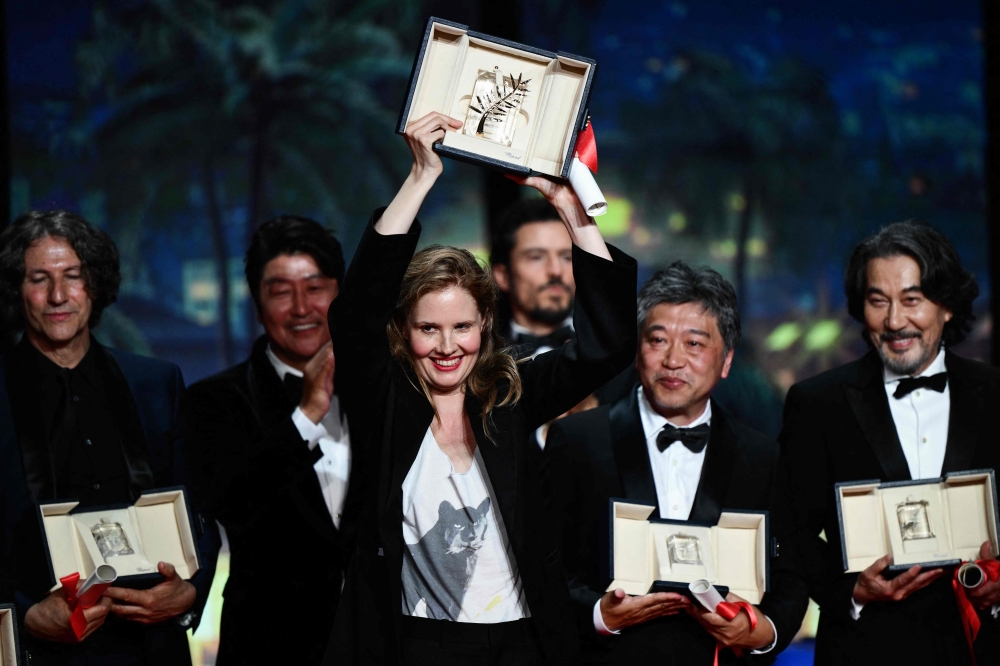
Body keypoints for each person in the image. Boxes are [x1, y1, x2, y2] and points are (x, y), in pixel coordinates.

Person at [323, 111, 637, 665]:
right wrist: (421, 175)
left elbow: (608, 346)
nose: (447, 346)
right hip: (417, 645)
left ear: (485, 325)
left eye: (462, 327)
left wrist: (574, 213)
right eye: (428, 328)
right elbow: (354, 316)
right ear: (404, 330)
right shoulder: (384, 398)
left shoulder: (510, 393)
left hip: (523, 641)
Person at [544, 263, 808, 663]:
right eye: (657, 340)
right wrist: (600, 614)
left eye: (695, 344)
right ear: (637, 351)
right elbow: (541, 568)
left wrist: (758, 632)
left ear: (726, 360)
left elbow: (789, 579)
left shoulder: (761, 455)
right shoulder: (578, 440)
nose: (673, 360)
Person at [0, 210, 219, 665]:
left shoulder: (156, 383)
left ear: (94, 285)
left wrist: (189, 593)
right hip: (41, 653)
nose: (57, 296)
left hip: (153, 648)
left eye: (72, 276)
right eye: (39, 279)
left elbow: (201, 514)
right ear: (17, 291)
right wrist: (22, 613)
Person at [780, 221, 1000, 665]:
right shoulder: (817, 403)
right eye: (878, 301)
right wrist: (850, 590)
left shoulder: (995, 393)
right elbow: (788, 530)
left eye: (912, 299)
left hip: (983, 642)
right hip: (866, 647)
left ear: (948, 307)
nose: (895, 320)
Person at [183, 216, 351, 665]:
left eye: (315, 288)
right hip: (272, 647)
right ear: (258, 306)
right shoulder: (214, 401)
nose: (301, 308)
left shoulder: (385, 389)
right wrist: (309, 412)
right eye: (281, 291)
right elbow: (232, 504)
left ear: (340, 294)